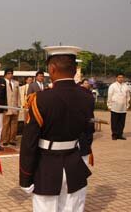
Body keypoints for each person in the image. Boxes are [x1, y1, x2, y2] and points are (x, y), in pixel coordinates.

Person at [20, 46, 93, 212]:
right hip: (75, 163)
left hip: (46, 166)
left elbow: (29, 142)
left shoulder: (40, 99)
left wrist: (25, 177)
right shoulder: (87, 96)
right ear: (75, 70)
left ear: (51, 69)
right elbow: (88, 133)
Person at [107, 73, 130, 140]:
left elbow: (128, 96)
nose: (121, 78)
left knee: (121, 123)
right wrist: (109, 105)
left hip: (123, 107)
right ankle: (114, 135)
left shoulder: (126, 86)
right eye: (119, 77)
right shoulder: (112, 86)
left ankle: (120, 134)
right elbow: (110, 96)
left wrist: (127, 105)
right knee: (114, 122)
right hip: (114, 107)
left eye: (122, 77)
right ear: (116, 78)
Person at [2, 68, 21, 146]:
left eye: (11, 73)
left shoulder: (16, 83)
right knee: (5, 124)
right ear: (5, 74)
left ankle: (12, 139)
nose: (10, 75)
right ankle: (4, 140)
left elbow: (18, 95)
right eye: (9, 73)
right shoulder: (2, 82)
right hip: (6, 106)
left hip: (15, 106)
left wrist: (19, 105)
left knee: (14, 124)